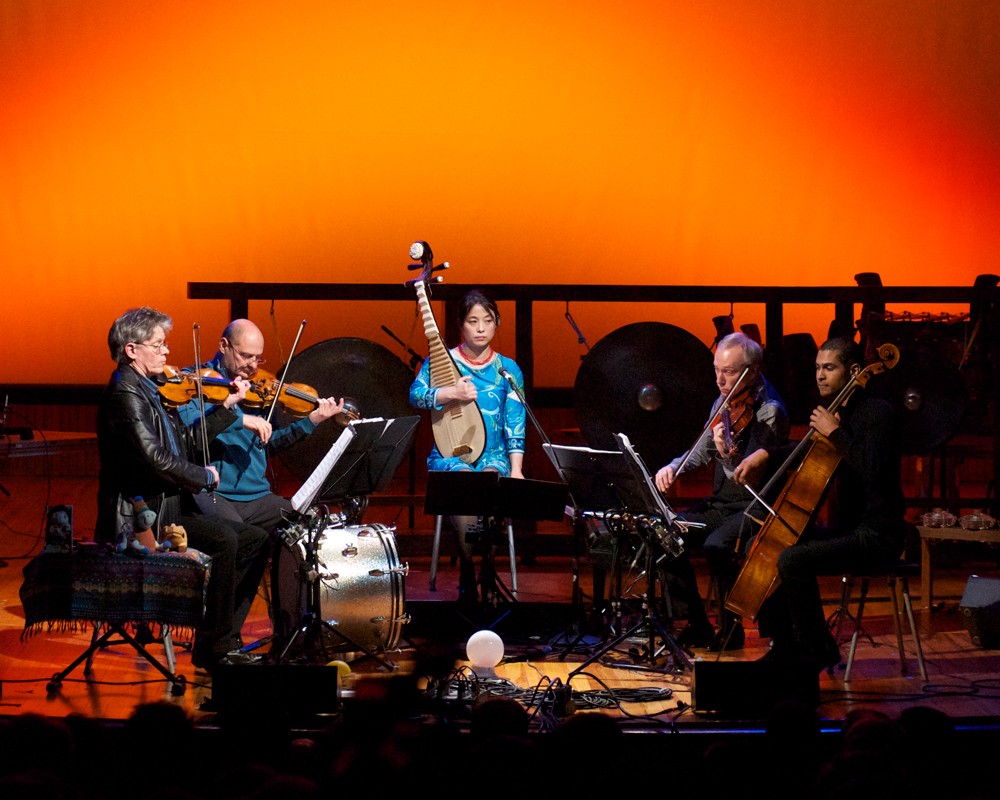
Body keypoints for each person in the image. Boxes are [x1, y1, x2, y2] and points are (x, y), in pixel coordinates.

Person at [95, 306, 270, 670]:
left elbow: (186, 441)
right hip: (140, 518)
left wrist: (226, 408)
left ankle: (220, 636)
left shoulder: (150, 389)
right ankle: (215, 647)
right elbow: (153, 458)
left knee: (255, 538)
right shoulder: (125, 394)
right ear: (131, 350)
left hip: (166, 507)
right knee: (228, 540)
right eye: (158, 345)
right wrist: (204, 477)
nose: (166, 352)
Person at [749, 336, 910, 671]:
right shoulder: (839, 412)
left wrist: (835, 433)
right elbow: (811, 450)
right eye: (817, 368)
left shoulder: (878, 413)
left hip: (877, 534)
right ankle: (783, 644)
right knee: (766, 544)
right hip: (846, 529)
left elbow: (873, 470)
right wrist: (765, 454)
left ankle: (815, 649)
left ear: (854, 371)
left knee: (793, 560)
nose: (820, 375)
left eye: (829, 368)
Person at [654, 331, 790, 651]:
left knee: (717, 546)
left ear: (752, 371)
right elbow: (700, 451)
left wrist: (728, 455)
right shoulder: (724, 400)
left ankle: (732, 628)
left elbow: (751, 481)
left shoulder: (769, 411)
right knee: (667, 534)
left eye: (728, 372)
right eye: (716, 370)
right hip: (722, 502)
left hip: (753, 505)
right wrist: (674, 466)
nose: (719, 380)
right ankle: (697, 624)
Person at [408, 289, 527, 603]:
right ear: (461, 325)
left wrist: (516, 470)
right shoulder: (440, 362)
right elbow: (415, 395)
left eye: (487, 321)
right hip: (449, 454)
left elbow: (515, 422)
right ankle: (466, 568)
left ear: (496, 323)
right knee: (464, 484)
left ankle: (485, 567)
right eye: (472, 321)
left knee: (488, 481)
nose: (480, 328)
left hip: (495, 456)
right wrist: (450, 394)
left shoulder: (508, 370)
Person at [178, 319, 346, 534]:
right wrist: (240, 419)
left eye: (258, 358)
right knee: (241, 537)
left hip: (258, 496)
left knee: (306, 527)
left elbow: (268, 444)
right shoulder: (196, 382)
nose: (254, 366)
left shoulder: (260, 391)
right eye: (246, 356)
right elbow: (190, 430)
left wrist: (311, 421)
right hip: (213, 492)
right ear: (223, 346)